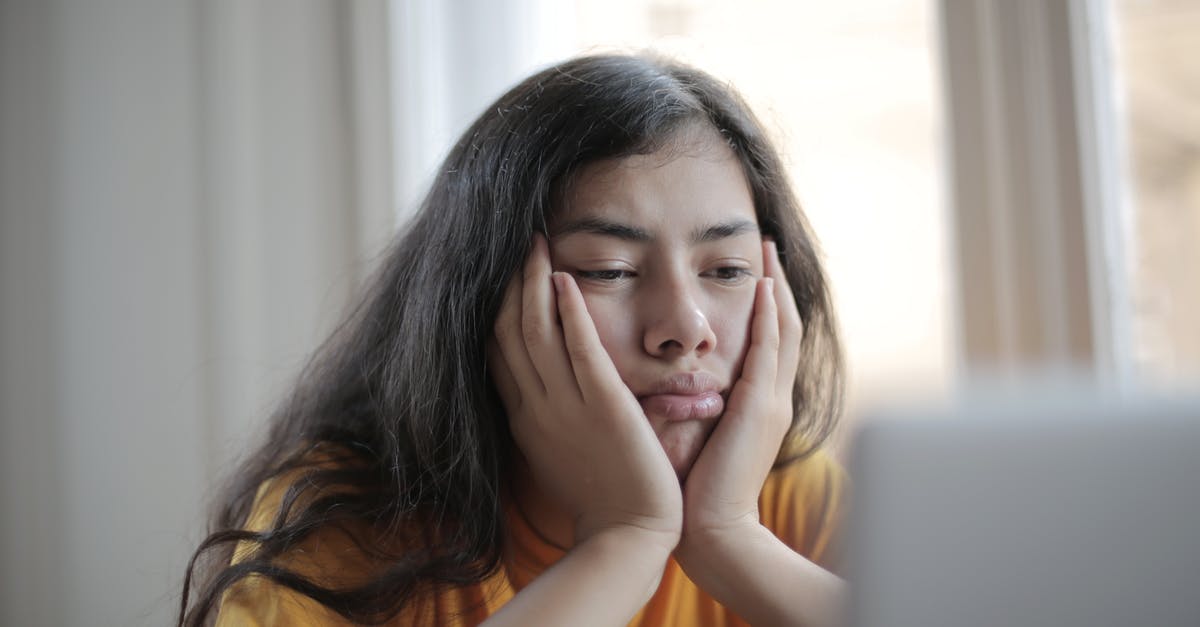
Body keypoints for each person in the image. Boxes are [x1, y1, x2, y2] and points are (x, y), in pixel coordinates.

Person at [179, 52, 847, 626]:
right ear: (487, 302)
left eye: (727, 271)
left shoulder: (780, 494)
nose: (686, 329)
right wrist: (626, 538)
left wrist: (731, 538)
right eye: (608, 270)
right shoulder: (345, 523)